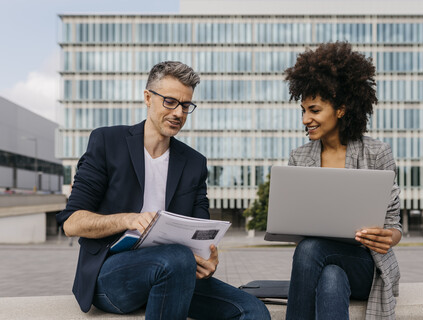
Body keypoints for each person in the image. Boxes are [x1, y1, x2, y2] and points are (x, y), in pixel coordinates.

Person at [56, 61, 270, 320]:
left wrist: (208, 260)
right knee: (177, 258)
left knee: (253, 311)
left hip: (176, 273)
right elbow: (72, 222)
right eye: (170, 101)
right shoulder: (107, 142)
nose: (179, 113)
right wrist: (128, 219)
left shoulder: (194, 163)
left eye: (186, 105)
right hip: (111, 275)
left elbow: (201, 232)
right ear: (148, 98)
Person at [283, 42, 402, 320]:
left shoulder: (377, 153)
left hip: (366, 265)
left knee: (311, 249)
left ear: (340, 109)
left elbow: (394, 226)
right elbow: (294, 226)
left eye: (314, 110)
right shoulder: (299, 158)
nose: (305, 119)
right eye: (302, 111)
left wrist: (387, 238)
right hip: (321, 262)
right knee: (331, 279)